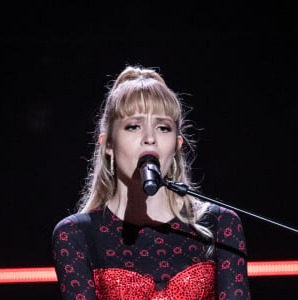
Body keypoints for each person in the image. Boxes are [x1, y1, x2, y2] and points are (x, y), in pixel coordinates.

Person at [52, 66, 251, 299]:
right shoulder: (76, 235)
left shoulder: (220, 225)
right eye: (133, 126)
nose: (150, 138)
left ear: (176, 145)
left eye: (163, 127)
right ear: (108, 144)